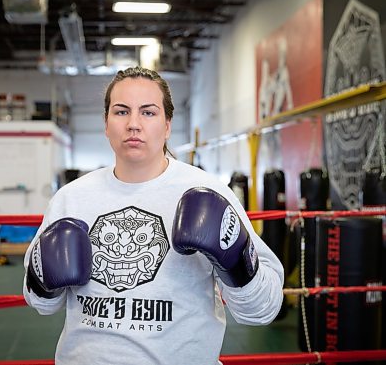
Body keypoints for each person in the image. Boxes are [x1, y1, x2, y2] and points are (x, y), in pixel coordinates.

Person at [23, 66, 284, 365]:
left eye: (148, 112)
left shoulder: (208, 192)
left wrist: (237, 260)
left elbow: (262, 309)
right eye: (121, 112)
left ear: (167, 125)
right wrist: (43, 280)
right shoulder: (71, 198)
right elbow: (40, 303)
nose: (133, 124)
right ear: (106, 124)